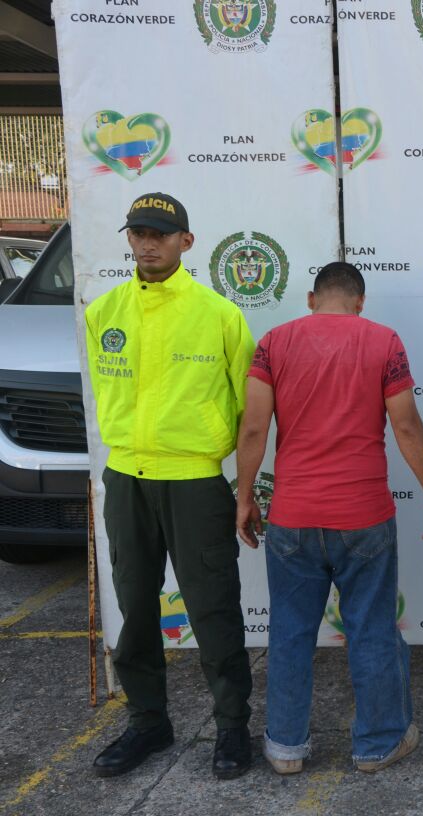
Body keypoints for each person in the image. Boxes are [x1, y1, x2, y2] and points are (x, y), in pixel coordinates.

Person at [234, 262, 423, 774]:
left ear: (311, 298)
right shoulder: (383, 340)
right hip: (363, 515)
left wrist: (243, 497)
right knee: (371, 630)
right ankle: (376, 746)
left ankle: (285, 748)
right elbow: (407, 424)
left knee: (288, 632)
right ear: (360, 301)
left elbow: (254, 429)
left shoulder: (273, 342)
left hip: (293, 515)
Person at [86, 193, 256, 779]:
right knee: (134, 607)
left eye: (160, 233)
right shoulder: (103, 311)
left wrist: (237, 478)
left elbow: (249, 410)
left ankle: (233, 728)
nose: (148, 243)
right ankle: (147, 723)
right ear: (128, 239)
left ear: (186, 241)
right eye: (138, 232)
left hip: (193, 482)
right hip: (126, 479)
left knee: (212, 610)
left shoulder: (219, 314)